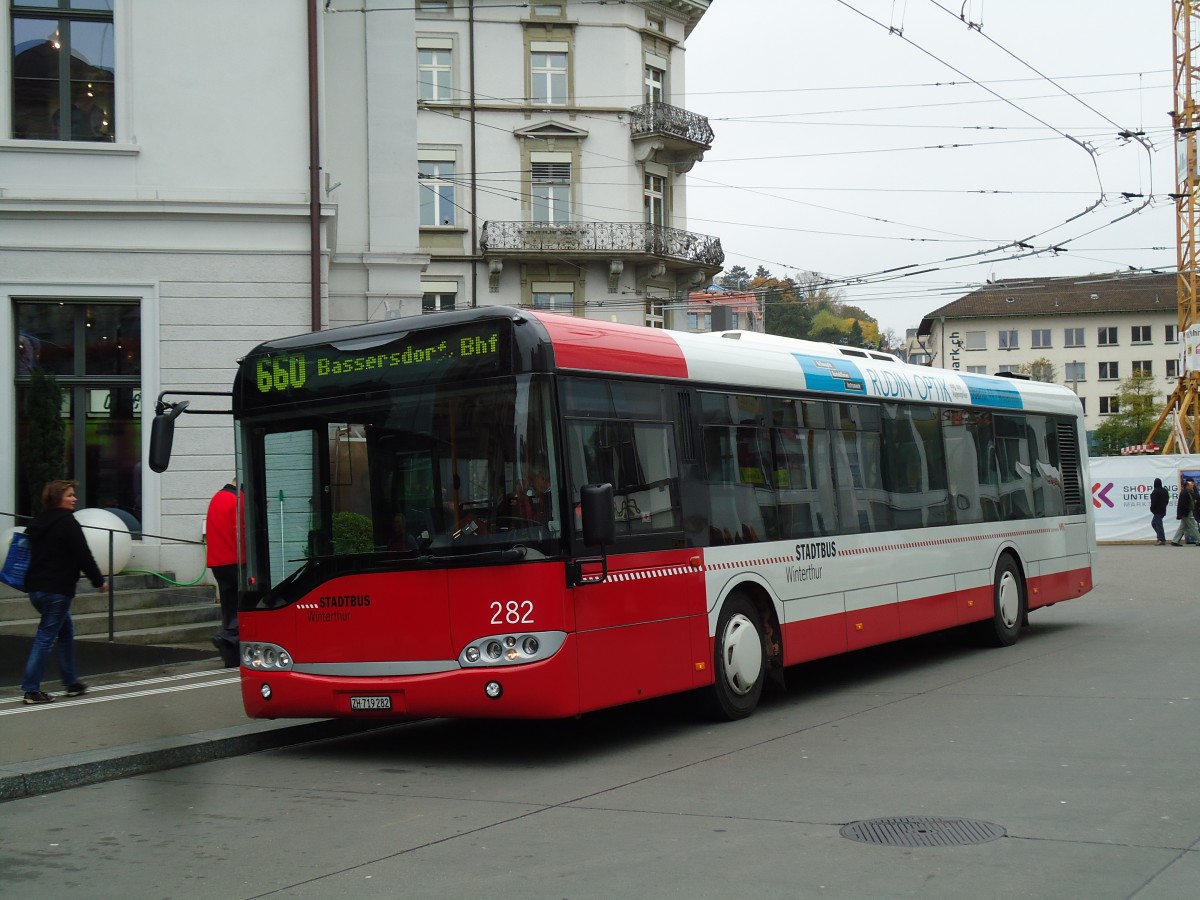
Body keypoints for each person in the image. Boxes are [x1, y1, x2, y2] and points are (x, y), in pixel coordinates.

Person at [20, 479, 107, 705]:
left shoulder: (37, 522)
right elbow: (83, 554)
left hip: (36, 590)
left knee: (65, 631)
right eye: (70, 495)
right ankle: (31, 690)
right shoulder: (68, 522)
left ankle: (71, 683)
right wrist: (99, 581)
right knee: (45, 638)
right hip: (56, 590)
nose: (74, 498)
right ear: (59, 498)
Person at [206, 479, 244, 667]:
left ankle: (230, 651)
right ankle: (226, 637)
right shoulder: (239, 499)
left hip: (217, 561)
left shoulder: (217, 497)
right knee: (243, 606)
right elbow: (243, 533)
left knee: (228, 607)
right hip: (236, 560)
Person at [1170, 477, 1200, 547]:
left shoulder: (1187, 492)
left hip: (1186, 512)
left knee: (1182, 527)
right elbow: (1182, 504)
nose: (1192, 486)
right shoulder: (1185, 493)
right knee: (1194, 526)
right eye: (1191, 485)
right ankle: (1199, 540)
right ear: (1187, 486)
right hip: (1187, 512)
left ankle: (1175, 540)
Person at [1149, 477, 1170, 545]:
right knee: (1154, 523)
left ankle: (1162, 539)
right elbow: (1167, 500)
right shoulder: (1165, 491)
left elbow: (1153, 502)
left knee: (1158, 525)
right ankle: (1160, 536)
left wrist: (1152, 509)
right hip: (1163, 510)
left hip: (1157, 511)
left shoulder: (1155, 491)